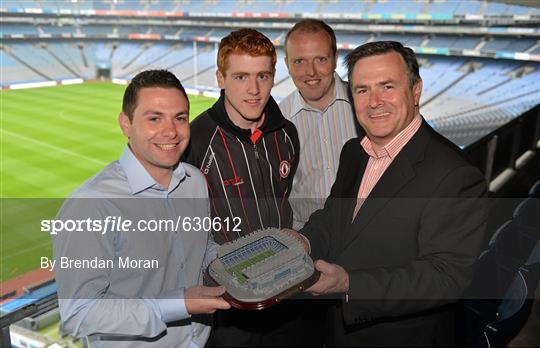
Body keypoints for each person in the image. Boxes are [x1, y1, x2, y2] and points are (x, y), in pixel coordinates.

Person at [289, 41, 488, 346]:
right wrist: (303, 240)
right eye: (362, 90)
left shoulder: (455, 174)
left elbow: (444, 277)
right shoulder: (353, 152)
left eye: (387, 86)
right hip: (336, 330)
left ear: (416, 90)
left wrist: (348, 284)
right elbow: (334, 218)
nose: (374, 102)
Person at [52, 70, 230, 348]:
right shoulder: (91, 206)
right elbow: (79, 314)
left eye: (180, 118)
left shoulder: (194, 181)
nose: (171, 131)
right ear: (126, 123)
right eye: (154, 118)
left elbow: (200, 245)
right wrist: (177, 304)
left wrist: (232, 259)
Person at [183, 29, 315, 346]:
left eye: (263, 76)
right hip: (230, 311)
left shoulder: (286, 133)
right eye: (241, 77)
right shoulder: (196, 142)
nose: (254, 90)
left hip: (288, 295)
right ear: (220, 77)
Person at [280, 19, 358, 230]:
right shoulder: (277, 121)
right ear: (287, 64)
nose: (311, 72)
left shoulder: (364, 105)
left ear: (335, 59)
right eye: (299, 61)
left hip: (364, 235)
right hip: (306, 239)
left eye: (320, 59)